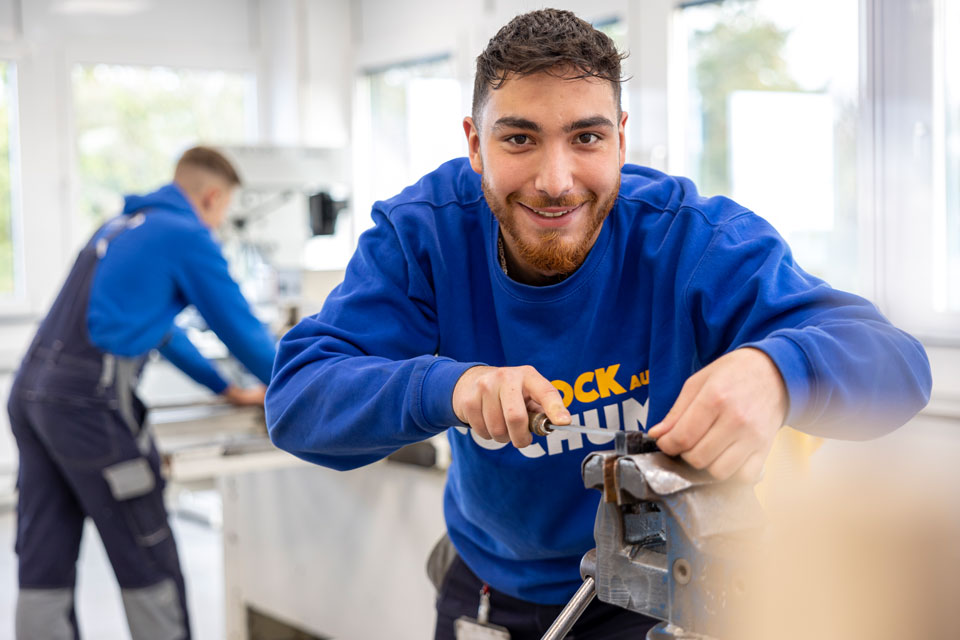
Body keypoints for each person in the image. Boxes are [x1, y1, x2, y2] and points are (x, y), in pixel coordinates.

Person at [265, 9, 932, 640]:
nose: (555, 181)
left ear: (620, 137)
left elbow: (898, 365)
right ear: (475, 143)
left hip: (671, 596)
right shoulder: (424, 236)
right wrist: (451, 387)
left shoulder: (692, 241)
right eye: (519, 138)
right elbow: (298, 400)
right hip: (490, 592)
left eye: (586, 137)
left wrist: (780, 372)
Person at [7, 146, 276, 639]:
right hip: (86, 405)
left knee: (44, 553)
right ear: (212, 197)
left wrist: (223, 386)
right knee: (146, 552)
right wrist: (307, 384)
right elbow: (244, 332)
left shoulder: (119, 227)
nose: (219, 225)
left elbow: (160, 331)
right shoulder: (186, 235)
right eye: (223, 213)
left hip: (30, 397)